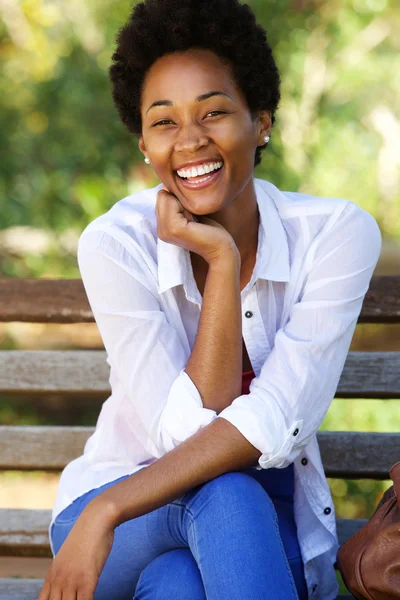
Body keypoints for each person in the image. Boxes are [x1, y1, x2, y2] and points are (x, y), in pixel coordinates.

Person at [38, 0, 382, 599]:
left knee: (178, 582)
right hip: (126, 516)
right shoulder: (116, 244)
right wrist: (104, 507)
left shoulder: (333, 235)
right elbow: (180, 436)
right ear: (144, 143)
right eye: (164, 122)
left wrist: (220, 260)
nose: (190, 141)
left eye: (215, 112)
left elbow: (273, 420)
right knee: (226, 492)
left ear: (262, 121)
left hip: (190, 518)